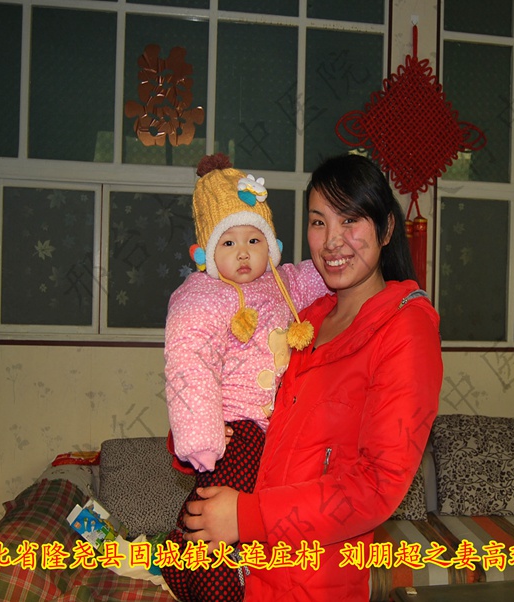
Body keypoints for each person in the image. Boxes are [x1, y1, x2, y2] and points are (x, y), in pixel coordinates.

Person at [182, 153, 444, 601]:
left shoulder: (406, 329)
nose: (332, 241)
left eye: (350, 220)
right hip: (253, 573)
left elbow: (377, 485)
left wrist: (246, 517)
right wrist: (201, 429)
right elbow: (253, 401)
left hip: (315, 581)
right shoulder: (305, 318)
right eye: (319, 222)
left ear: (386, 229)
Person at [162, 154, 328, 601]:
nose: (242, 253)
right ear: (206, 252)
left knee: (218, 514)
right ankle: (214, 591)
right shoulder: (203, 295)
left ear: (270, 245)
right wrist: (201, 434)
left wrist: (373, 272)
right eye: (229, 241)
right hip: (233, 429)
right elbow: (188, 360)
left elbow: (324, 274)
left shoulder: (283, 283)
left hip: (273, 430)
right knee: (219, 526)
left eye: (254, 240)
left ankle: (177, 563)